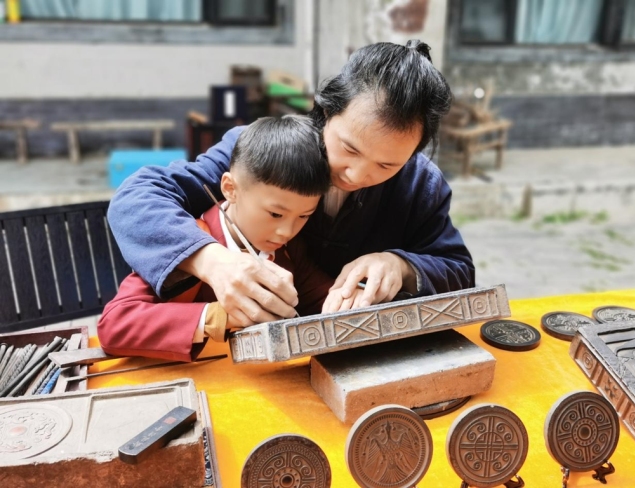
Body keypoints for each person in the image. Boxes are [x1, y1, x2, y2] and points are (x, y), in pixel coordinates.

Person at [107, 39, 475, 329]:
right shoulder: (264, 150)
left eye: (386, 164)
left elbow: (459, 269)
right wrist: (213, 262)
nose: (357, 176)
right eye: (348, 149)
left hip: (349, 347)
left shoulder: (421, 184)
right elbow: (138, 197)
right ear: (327, 110)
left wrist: (401, 265)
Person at [98, 115, 358, 361]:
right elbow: (114, 324)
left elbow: (323, 297)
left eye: (304, 216)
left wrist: (353, 297)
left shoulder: (289, 249)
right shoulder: (190, 238)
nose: (286, 231)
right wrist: (217, 316)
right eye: (276, 213)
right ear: (230, 189)